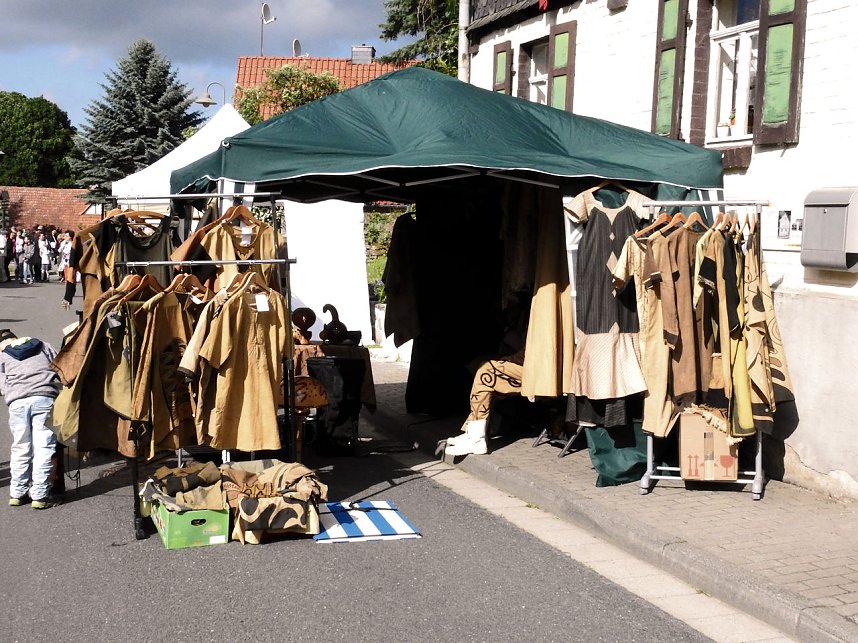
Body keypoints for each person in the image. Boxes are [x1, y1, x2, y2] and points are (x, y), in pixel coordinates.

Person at [0, 329, 62, 508]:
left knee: (20, 447)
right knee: (43, 447)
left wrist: (14, 393)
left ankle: (17, 493)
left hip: (17, 403)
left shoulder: (3, 355)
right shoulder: (42, 345)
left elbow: (2, 384)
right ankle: (40, 495)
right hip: (44, 397)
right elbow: (60, 366)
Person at [59, 230, 77, 309]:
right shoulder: (64, 243)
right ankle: (68, 292)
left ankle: (70, 294)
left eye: (67, 236)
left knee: (71, 278)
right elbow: (60, 250)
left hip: (71, 262)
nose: (65, 237)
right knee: (67, 277)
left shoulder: (73, 243)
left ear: (70, 236)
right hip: (65, 261)